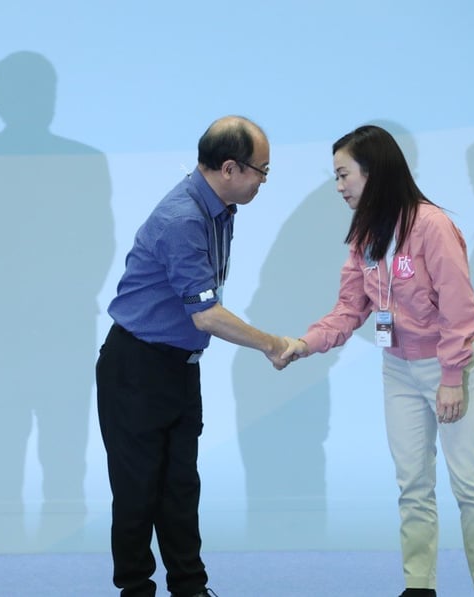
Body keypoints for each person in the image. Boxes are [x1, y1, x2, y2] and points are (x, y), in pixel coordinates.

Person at [282, 125, 474, 597]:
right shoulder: (365, 235)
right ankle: (418, 586)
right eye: (335, 177)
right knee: (412, 486)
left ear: (373, 171)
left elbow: (461, 311)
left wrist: (450, 377)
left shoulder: (431, 226)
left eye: (344, 175)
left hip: (450, 368)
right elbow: (348, 309)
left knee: (470, 486)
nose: (338, 186)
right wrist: (303, 344)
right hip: (398, 369)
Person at [96, 115, 292, 597]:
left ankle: (190, 587)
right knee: (138, 490)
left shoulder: (216, 210)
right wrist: (271, 343)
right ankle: (136, 589)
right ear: (230, 168)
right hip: (137, 369)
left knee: (181, 487)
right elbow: (205, 315)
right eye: (261, 171)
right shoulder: (183, 218)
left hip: (178, 368)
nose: (264, 181)